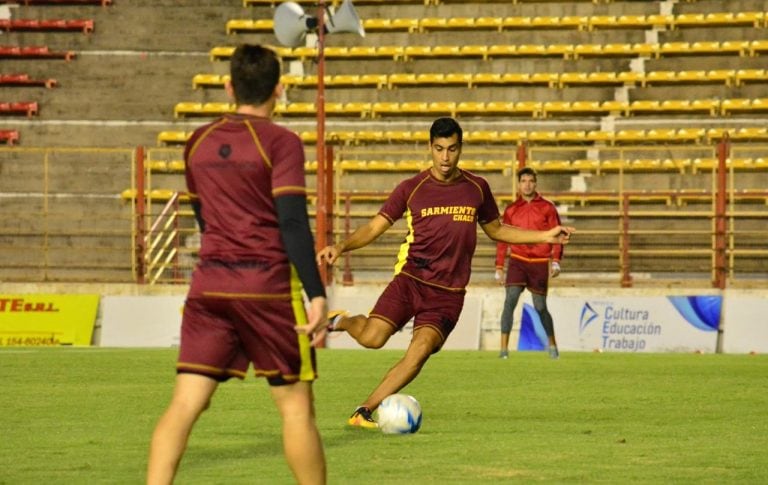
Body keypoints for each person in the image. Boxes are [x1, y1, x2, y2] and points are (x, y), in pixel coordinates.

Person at [315, 117, 574, 429]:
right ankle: (340, 320)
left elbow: (496, 229)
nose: (445, 157)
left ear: (460, 148)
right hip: (411, 280)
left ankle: (364, 410)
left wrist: (545, 236)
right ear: (430, 148)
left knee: (420, 350)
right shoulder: (411, 189)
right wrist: (341, 247)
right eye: (439, 149)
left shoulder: (477, 188)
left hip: (448, 295)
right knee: (372, 338)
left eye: (451, 149)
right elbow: (374, 227)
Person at [147, 44, 328, 485]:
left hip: (209, 284)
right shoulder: (281, 142)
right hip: (265, 286)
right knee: (296, 409)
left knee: (186, 403)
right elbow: (290, 221)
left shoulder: (198, 142)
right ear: (279, 90)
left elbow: (204, 217)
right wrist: (317, 292)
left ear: (229, 87)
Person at [495, 167, 563, 361]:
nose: (527, 184)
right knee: (510, 300)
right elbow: (502, 237)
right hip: (518, 260)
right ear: (518, 184)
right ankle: (503, 351)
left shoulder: (548, 208)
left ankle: (552, 345)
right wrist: (499, 266)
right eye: (523, 181)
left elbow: (557, 235)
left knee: (540, 306)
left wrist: (556, 261)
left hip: (540, 262)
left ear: (536, 183)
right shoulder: (511, 209)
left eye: (530, 181)